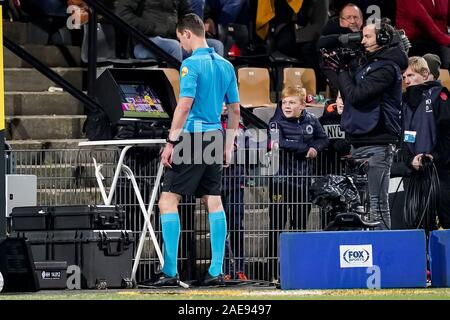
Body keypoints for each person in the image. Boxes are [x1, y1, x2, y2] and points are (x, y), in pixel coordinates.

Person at [154, 13, 240, 287]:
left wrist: (171, 142)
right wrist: (228, 145)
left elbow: (184, 105)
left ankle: (169, 272)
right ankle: (215, 271)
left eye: (181, 39)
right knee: (212, 200)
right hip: (215, 135)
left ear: (188, 33)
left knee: (168, 201)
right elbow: (235, 110)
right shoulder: (226, 65)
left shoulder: (190, 65)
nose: (182, 45)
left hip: (191, 136)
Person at [332, 20, 408, 230]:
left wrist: (342, 70)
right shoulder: (370, 64)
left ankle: (384, 255)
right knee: (359, 205)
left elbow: (356, 95)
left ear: (383, 39)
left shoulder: (387, 68)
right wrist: (344, 67)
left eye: (368, 37)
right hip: (360, 140)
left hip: (378, 142)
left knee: (377, 204)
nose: (362, 41)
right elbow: (349, 91)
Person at [267, 86, 329, 282]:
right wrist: (306, 149)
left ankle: (297, 268)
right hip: (280, 182)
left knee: (300, 225)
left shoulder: (311, 119)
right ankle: (273, 271)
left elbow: (324, 139)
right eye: (284, 102)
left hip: (302, 183)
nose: (287, 105)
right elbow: (279, 143)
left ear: (302, 105)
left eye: (292, 102)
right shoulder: (275, 123)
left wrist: (316, 148)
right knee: (276, 225)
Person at [402, 56, 450, 229]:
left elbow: (447, 134)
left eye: (411, 76)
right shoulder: (405, 103)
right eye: (405, 77)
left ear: (424, 74)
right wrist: (410, 159)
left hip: (441, 173)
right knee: (419, 223)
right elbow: (405, 137)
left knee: (446, 219)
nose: (407, 80)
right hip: (417, 174)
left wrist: (434, 156)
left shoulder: (440, 96)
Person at [115, 0, 224, 62]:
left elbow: (187, 13)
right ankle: (181, 94)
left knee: (215, 46)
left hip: (173, 38)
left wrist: (184, 32)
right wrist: (154, 28)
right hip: (145, 41)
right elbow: (122, 14)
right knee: (174, 46)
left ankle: (212, 92)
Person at [318, 3, 364, 98]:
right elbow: (320, 43)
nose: (352, 21)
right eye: (348, 17)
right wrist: (345, 37)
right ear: (340, 21)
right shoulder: (333, 31)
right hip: (339, 72)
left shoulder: (368, 34)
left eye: (356, 17)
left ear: (362, 21)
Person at [396, 0, 450, 68]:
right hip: (413, 41)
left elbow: (445, 15)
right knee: (446, 57)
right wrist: (446, 40)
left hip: (436, 38)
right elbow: (423, 20)